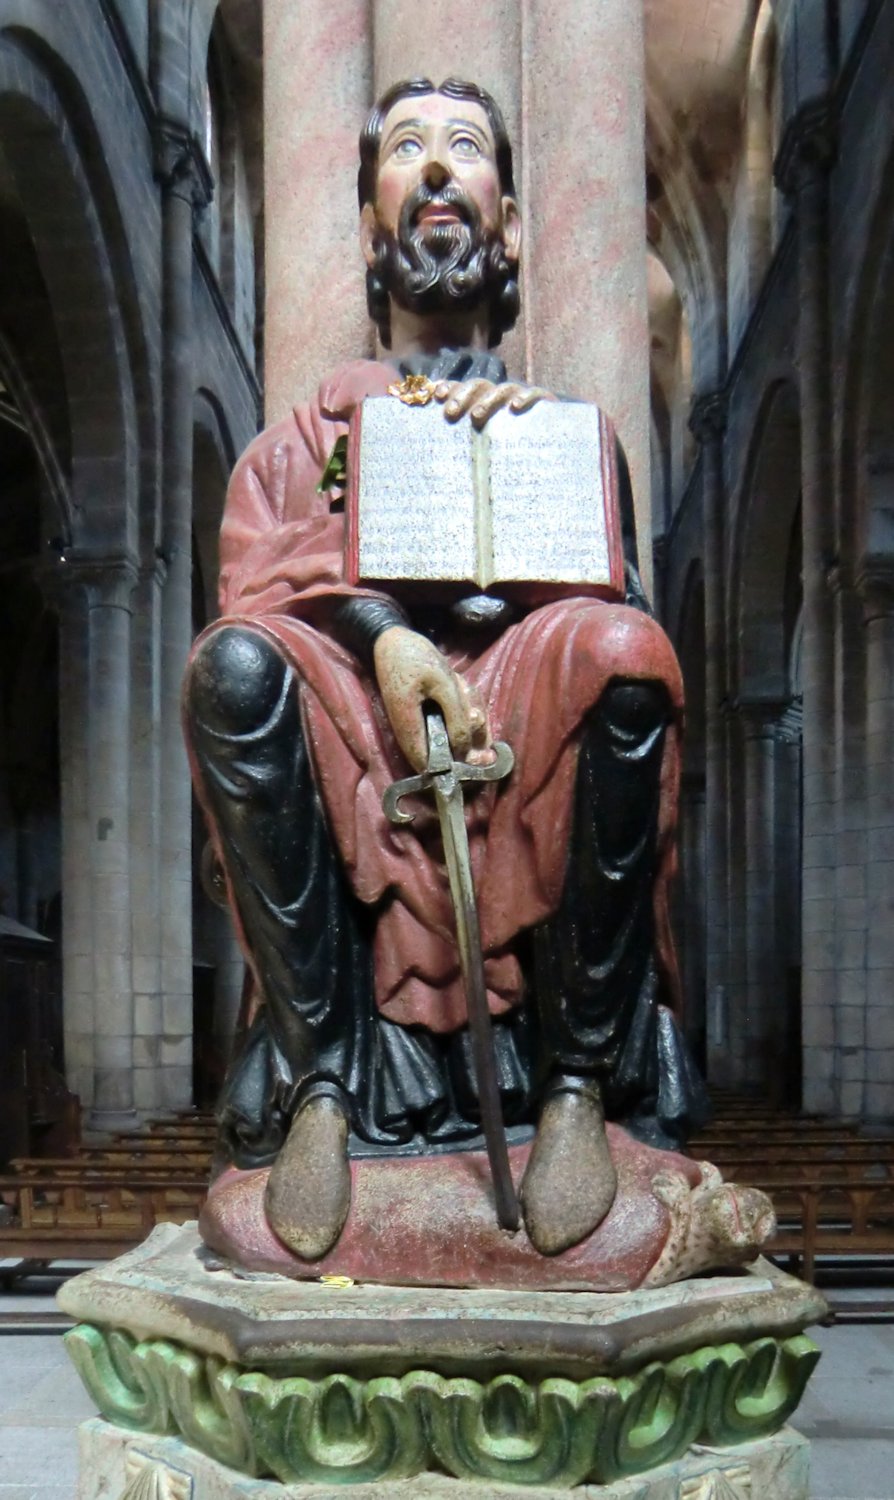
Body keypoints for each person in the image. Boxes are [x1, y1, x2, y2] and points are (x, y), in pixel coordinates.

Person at [184, 77, 708, 1265]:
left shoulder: (569, 432)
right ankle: (325, 1084)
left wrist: (534, 486)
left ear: (509, 223)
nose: (434, 171)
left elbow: (607, 598)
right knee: (234, 671)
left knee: (628, 656)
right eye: (406, 150)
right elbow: (258, 582)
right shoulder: (300, 442)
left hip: (522, 687)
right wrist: (387, 637)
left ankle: (575, 1084)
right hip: (354, 703)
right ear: (373, 229)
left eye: (464, 150)